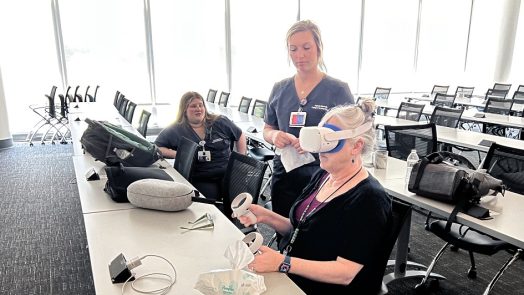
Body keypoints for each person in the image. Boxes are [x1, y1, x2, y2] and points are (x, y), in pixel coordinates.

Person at [239, 100, 392, 294]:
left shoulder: (370, 199)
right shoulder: (323, 175)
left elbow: (345, 273)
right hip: (292, 277)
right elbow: (303, 230)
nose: (320, 149)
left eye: (329, 141)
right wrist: (266, 216)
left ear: (357, 146)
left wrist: (283, 263)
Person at [263, 19, 355, 218]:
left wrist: (316, 143)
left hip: (322, 173)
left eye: (306, 47)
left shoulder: (337, 90)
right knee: (283, 225)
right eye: (293, 49)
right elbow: (267, 128)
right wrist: (275, 135)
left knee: (318, 234)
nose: (300, 55)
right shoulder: (280, 88)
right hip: (285, 171)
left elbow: (351, 136)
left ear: (319, 48)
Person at [155, 91, 247, 200]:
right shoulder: (176, 129)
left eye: (201, 105)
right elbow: (157, 147)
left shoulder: (219, 121)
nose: (198, 109)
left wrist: (241, 159)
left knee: (238, 204)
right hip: (201, 176)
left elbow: (240, 135)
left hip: (227, 172)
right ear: (184, 109)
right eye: (193, 106)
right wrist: (178, 154)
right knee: (209, 205)